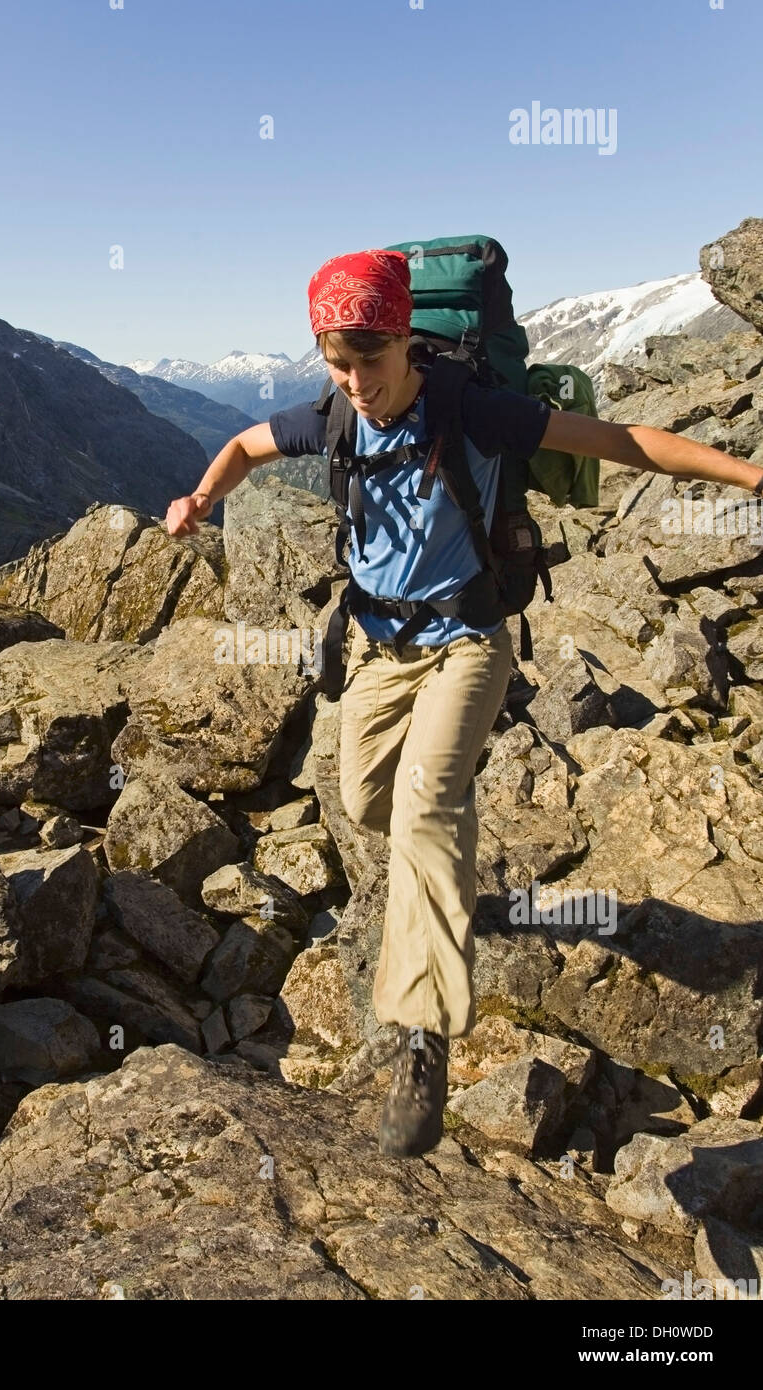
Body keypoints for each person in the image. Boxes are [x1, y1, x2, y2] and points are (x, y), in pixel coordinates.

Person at [166, 248, 763, 1158]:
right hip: (376, 645)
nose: (356, 383)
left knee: (423, 806)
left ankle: (420, 1035)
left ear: (406, 341)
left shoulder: (473, 410)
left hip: (466, 645)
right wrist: (203, 496)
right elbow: (246, 446)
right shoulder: (331, 414)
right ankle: (447, 877)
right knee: (366, 801)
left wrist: (752, 480)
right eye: (338, 364)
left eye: (370, 361)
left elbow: (620, 442)